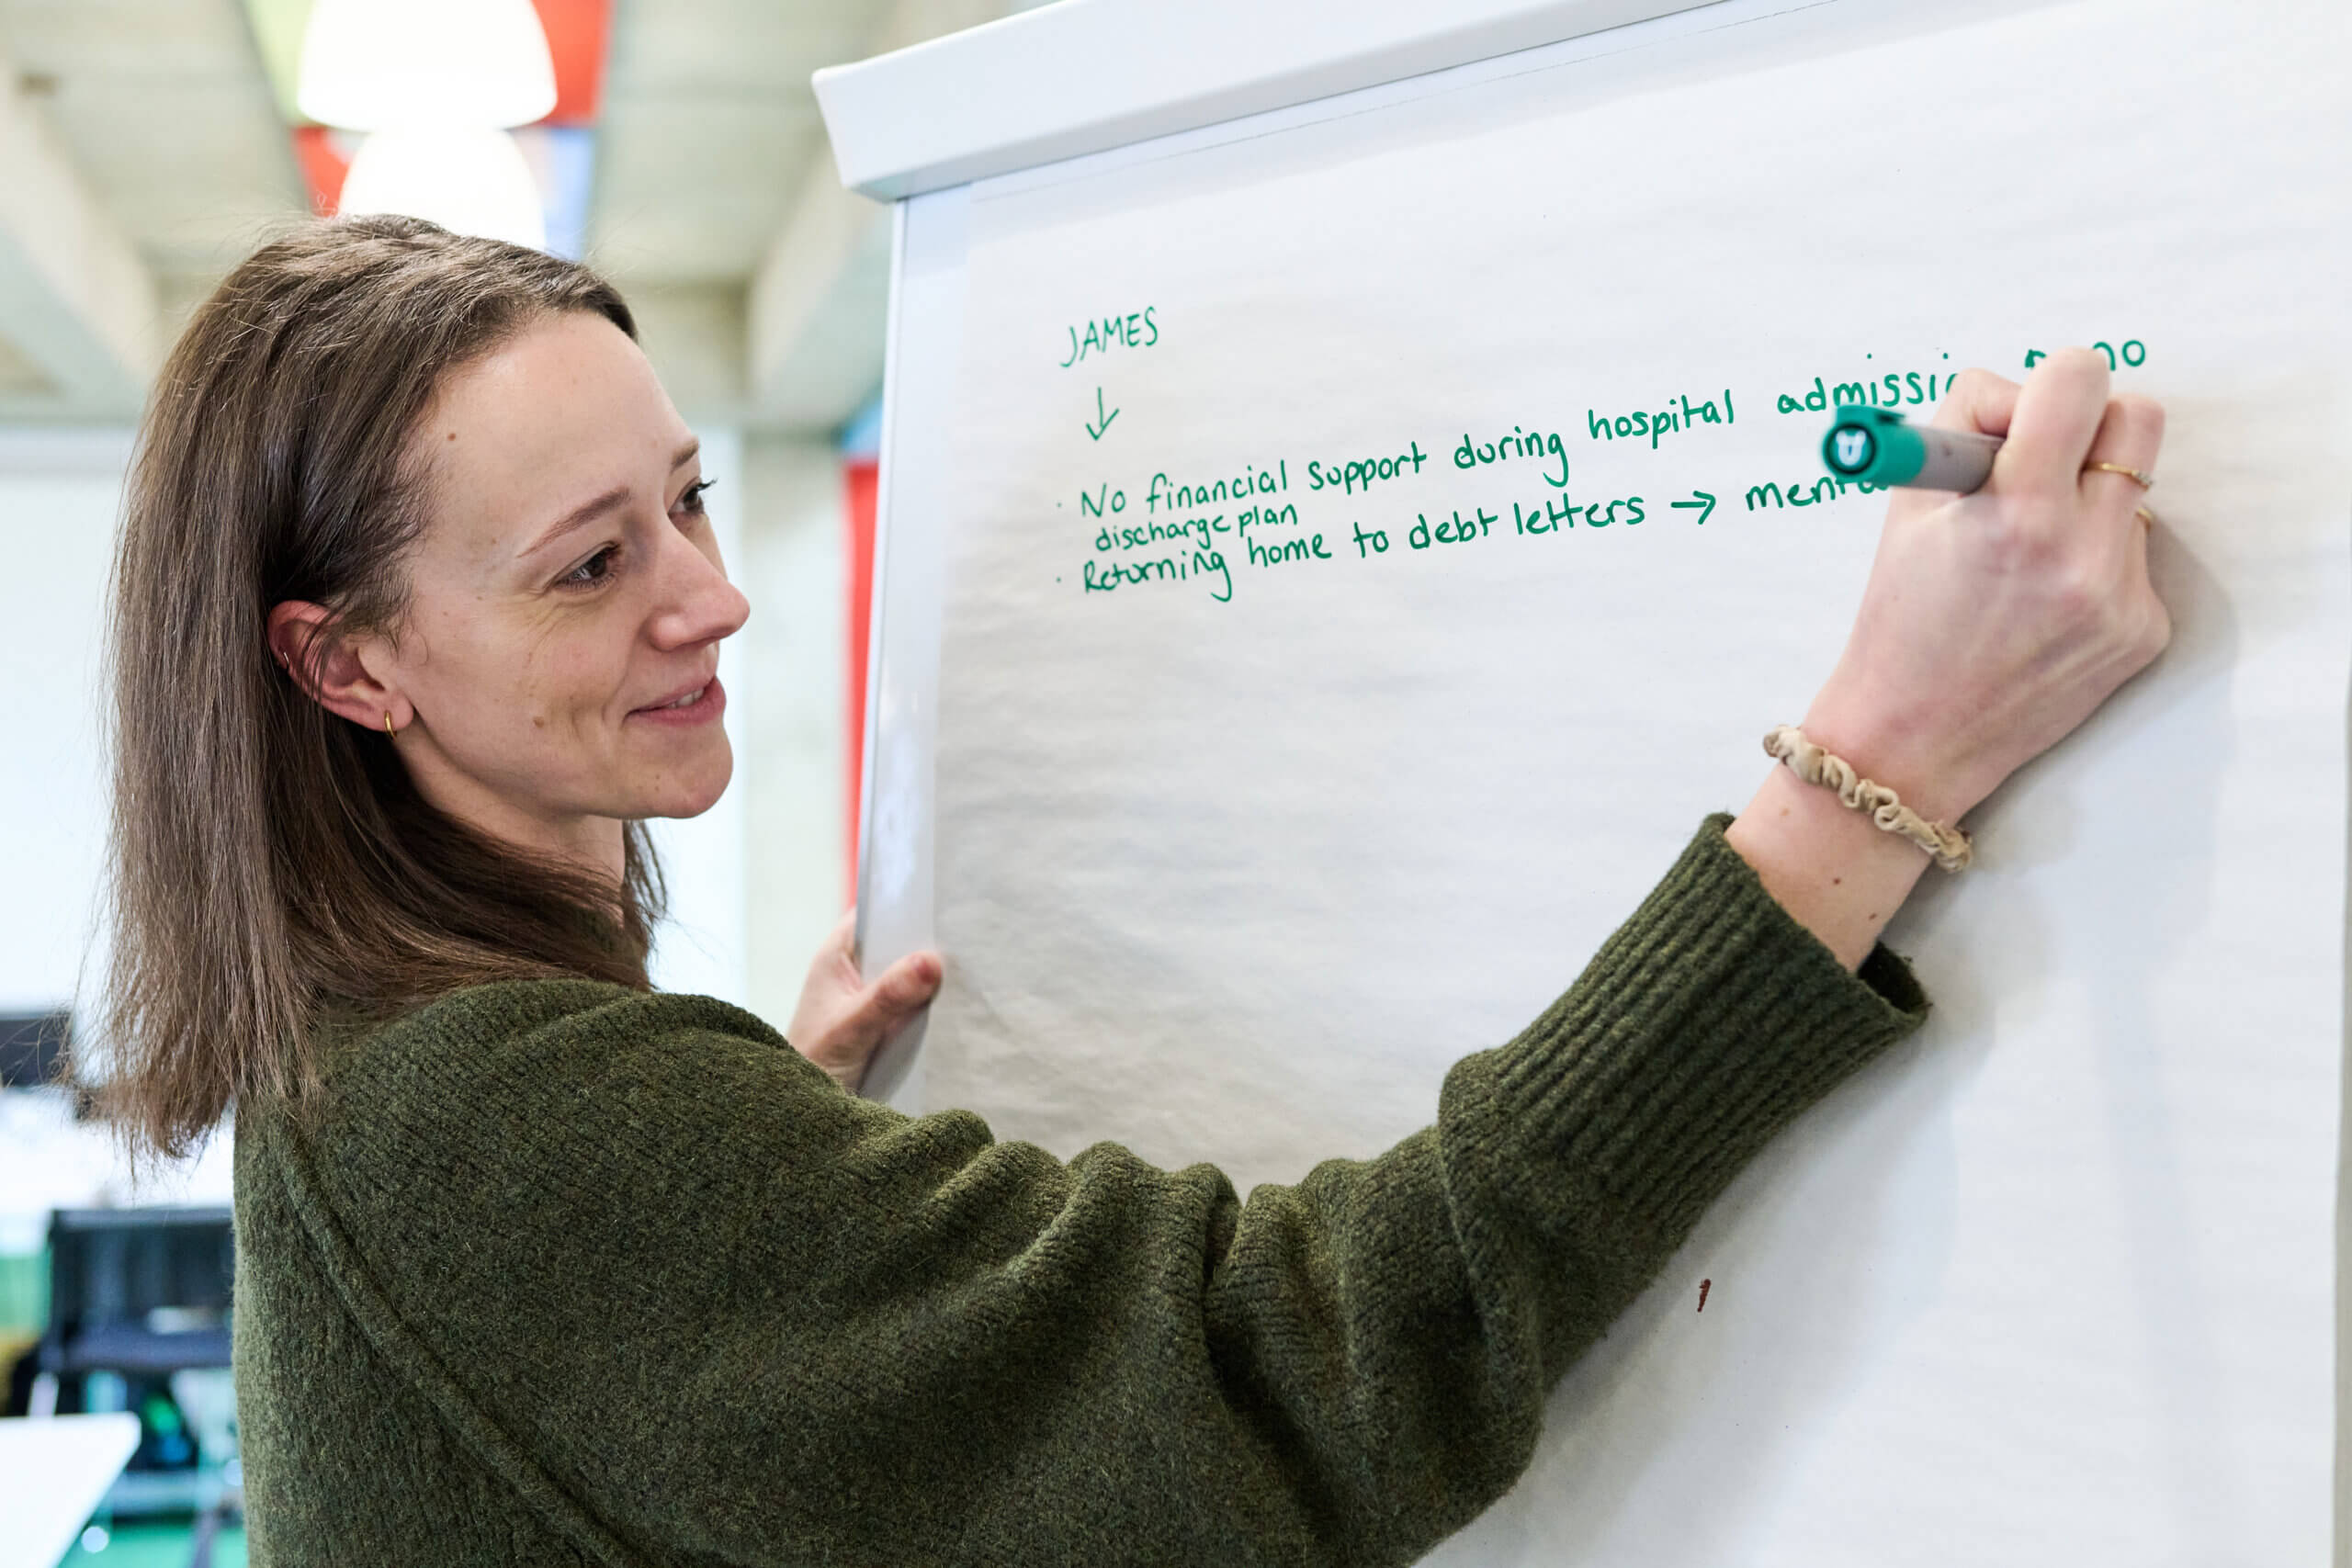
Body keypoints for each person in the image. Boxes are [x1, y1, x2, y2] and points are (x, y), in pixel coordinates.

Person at [96, 218, 2167, 1566]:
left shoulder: (391, 1075)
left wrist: (749, 1151)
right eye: (588, 561)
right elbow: (1314, 1363)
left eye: (689, 502)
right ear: (343, 661)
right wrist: (1884, 759)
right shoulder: (507, 1130)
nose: (710, 597)